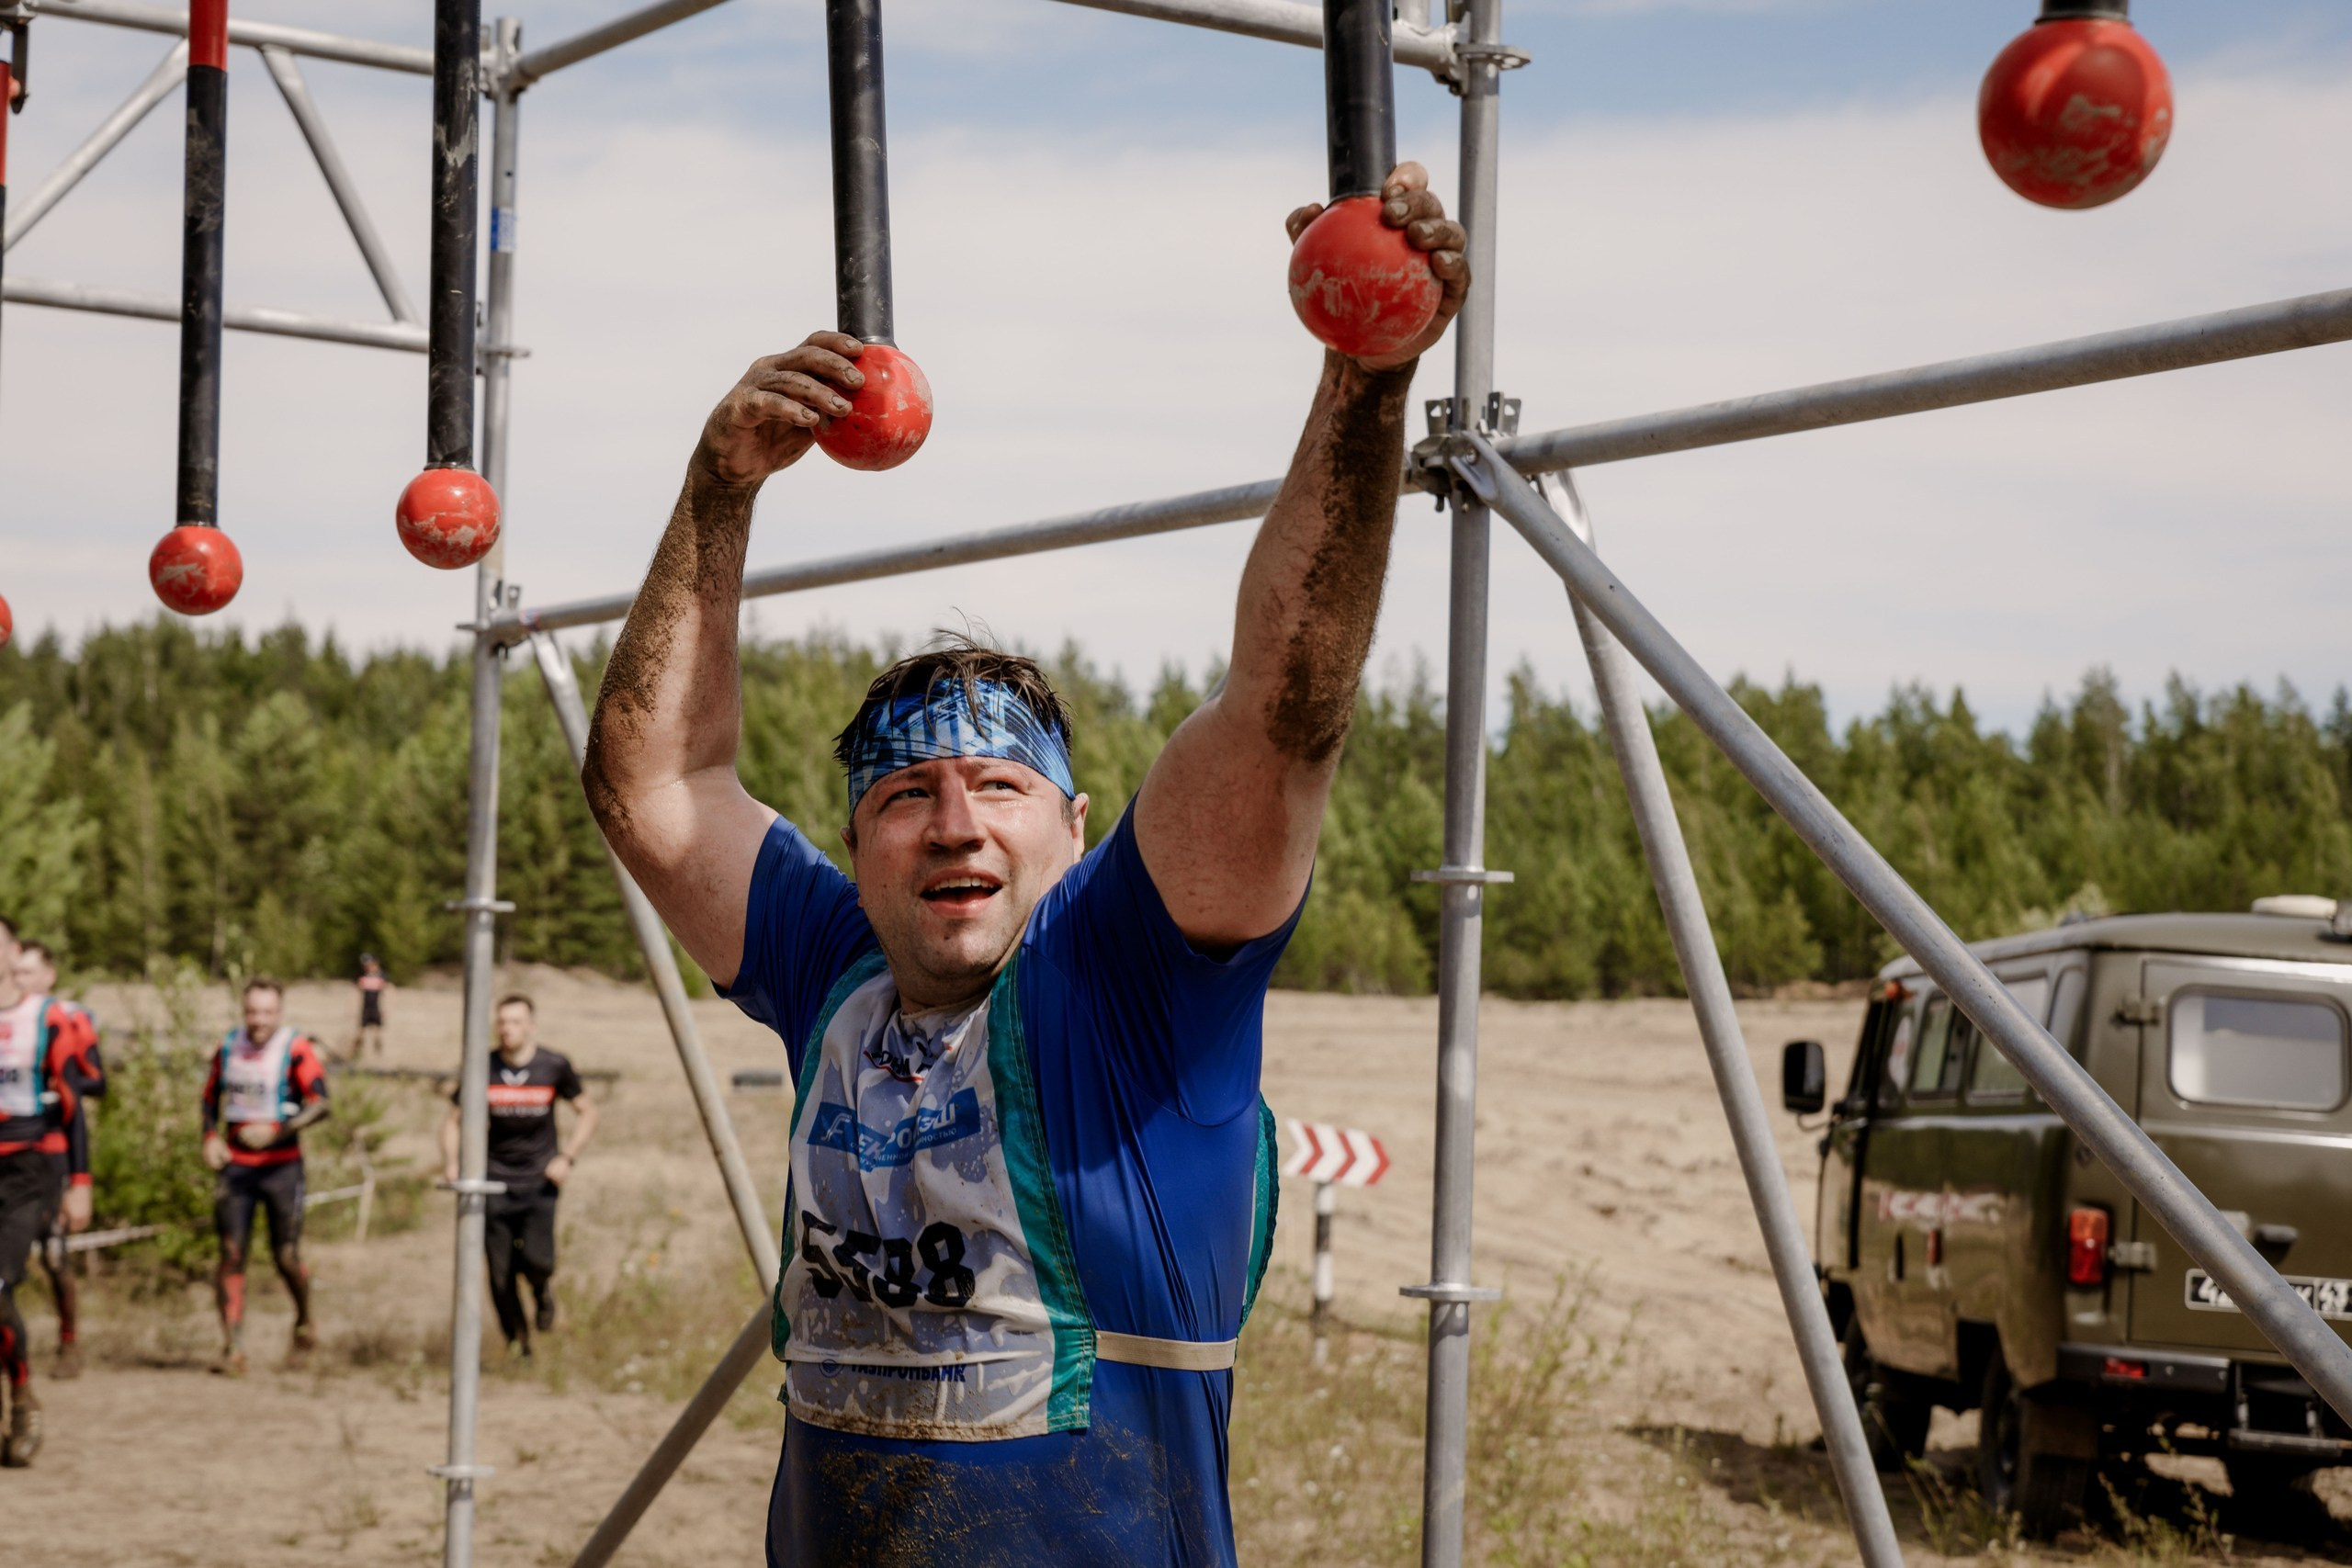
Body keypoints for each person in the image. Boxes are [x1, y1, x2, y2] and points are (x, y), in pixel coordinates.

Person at [581, 166, 1465, 1564]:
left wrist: (1364, 383)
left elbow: (1284, 709)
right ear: (858, 839)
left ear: (1077, 826)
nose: (954, 822)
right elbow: (652, 780)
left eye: (1000, 786)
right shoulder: (834, 969)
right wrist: (721, 483)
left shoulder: (1134, 981)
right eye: (908, 796)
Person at [438, 993, 598, 1358]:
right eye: (502, 1022)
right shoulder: (483, 1067)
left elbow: (587, 1112)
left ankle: (542, 1291)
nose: (507, 1029)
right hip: (493, 1181)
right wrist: (451, 1160)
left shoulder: (553, 1065)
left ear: (531, 1026)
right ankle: (518, 1345)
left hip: (540, 1181)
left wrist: (567, 1157)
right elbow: (452, 1121)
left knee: (539, 1262)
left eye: (515, 1022)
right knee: (499, 1274)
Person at [0, 916, 99, 1467]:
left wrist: (79, 1183)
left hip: (26, 1170)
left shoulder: (50, 1020)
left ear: (15, 952)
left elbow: (74, 1104)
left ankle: (21, 1395)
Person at [200, 976, 330, 1375]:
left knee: (286, 1255)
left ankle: (305, 1324)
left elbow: (321, 1103)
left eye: (267, 1012)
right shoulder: (228, 1046)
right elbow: (209, 1097)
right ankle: (232, 1347)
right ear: (244, 1011)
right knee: (231, 1253)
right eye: (252, 1011)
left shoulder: (295, 1048)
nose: (259, 1020)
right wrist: (208, 1137)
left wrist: (279, 1130)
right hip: (236, 1166)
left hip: (282, 1166)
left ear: (280, 1012)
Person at [14, 941, 103, 1379]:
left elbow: (96, 1080)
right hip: (11, 1150)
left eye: (30, 971)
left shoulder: (68, 1017)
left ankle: (69, 1342)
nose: (21, 979)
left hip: (52, 1149)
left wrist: (49, 1085)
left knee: (53, 1254)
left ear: (49, 974)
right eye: (18, 971)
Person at [353, 953, 390, 1060]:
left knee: (377, 1034)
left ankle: (378, 1055)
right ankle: (356, 1053)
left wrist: (386, 1008)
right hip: (365, 1009)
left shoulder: (381, 977)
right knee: (361, 1034)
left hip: (376, 1008)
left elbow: (388, 992)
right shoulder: (363, 977)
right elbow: (356, 992)